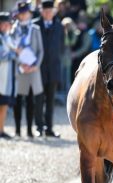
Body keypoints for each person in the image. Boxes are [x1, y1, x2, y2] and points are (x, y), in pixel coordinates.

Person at [11, 1, 44, 138]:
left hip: (33, 69)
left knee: (31, 101)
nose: (24, 15)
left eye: (26, 13)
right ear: (18, 15)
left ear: (29, 14)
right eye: (21, 13)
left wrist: (36, 65)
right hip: (19, 69)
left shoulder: (35, 29)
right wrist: (20, 64)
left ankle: (30, 130)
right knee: (18, 100)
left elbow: (41, 50)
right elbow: (11, 50)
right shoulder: (13, 30)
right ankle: (18, 129)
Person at [34, 0, 64, 137]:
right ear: (41, 11)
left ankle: (49, 128)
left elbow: (62, 46)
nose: (47, 13)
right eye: (45, 11)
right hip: (38, 68)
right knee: (38, 99)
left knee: (51, 100)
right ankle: (39, 127)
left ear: (54, 12)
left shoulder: (59, 26)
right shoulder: (35, 25)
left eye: (50, 11)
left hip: (53, 68)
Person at [0, 12, 17, 139]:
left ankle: (1, 129)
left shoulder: (8, 37)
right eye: (3, 24)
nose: (5, 26)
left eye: (7, 24)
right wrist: (12, 55)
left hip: (6, 76)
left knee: (4, 104)